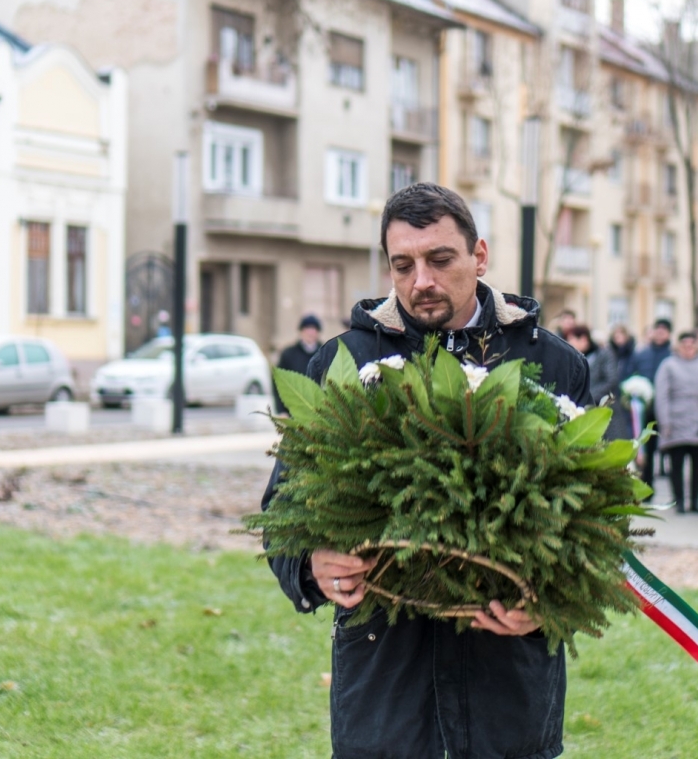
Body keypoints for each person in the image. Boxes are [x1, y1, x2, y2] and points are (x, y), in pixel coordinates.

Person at [260, 182, 591, 758]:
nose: (422, 282)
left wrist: (546, 605)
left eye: (440, 259)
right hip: (385, 693)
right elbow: (283, 512)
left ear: (479, 256)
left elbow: (595, 527)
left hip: (507, 694)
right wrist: (312, 568)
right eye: (403, 265)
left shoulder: (551, 364)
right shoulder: (344, 364)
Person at [655, 331, 698, 513]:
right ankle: (678, 501)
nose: (689, 348)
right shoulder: (668, 365)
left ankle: (696, 501)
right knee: (676, 466)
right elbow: (662, 395)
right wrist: (665, 421)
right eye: (685, 345)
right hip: (676, 422)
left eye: (692, 344)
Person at [566, 325, 632, 440]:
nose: (570, 345)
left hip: (606, 408)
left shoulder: (604, 354)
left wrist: (588, 396)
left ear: (584, 339)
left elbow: (611, 380)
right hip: (585, 413)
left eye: (572, 341)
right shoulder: (575, 359)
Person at [629, 319, 674, 485]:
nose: (660, 334)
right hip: (645, 409)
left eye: (664, 330)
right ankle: (647, 484)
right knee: (645, 448)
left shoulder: (672, 355)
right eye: (658, 330)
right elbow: (631, 373)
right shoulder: (642, 354)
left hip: (668, 409)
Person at [273, 314, 323, 415]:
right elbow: (278, 382)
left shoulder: (325, 353)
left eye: (314, 329)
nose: (311, 333)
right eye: (307, 329)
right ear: (301, 331)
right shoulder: (288, 354)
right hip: (293, 411)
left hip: (320, 412)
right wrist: (281, 411)